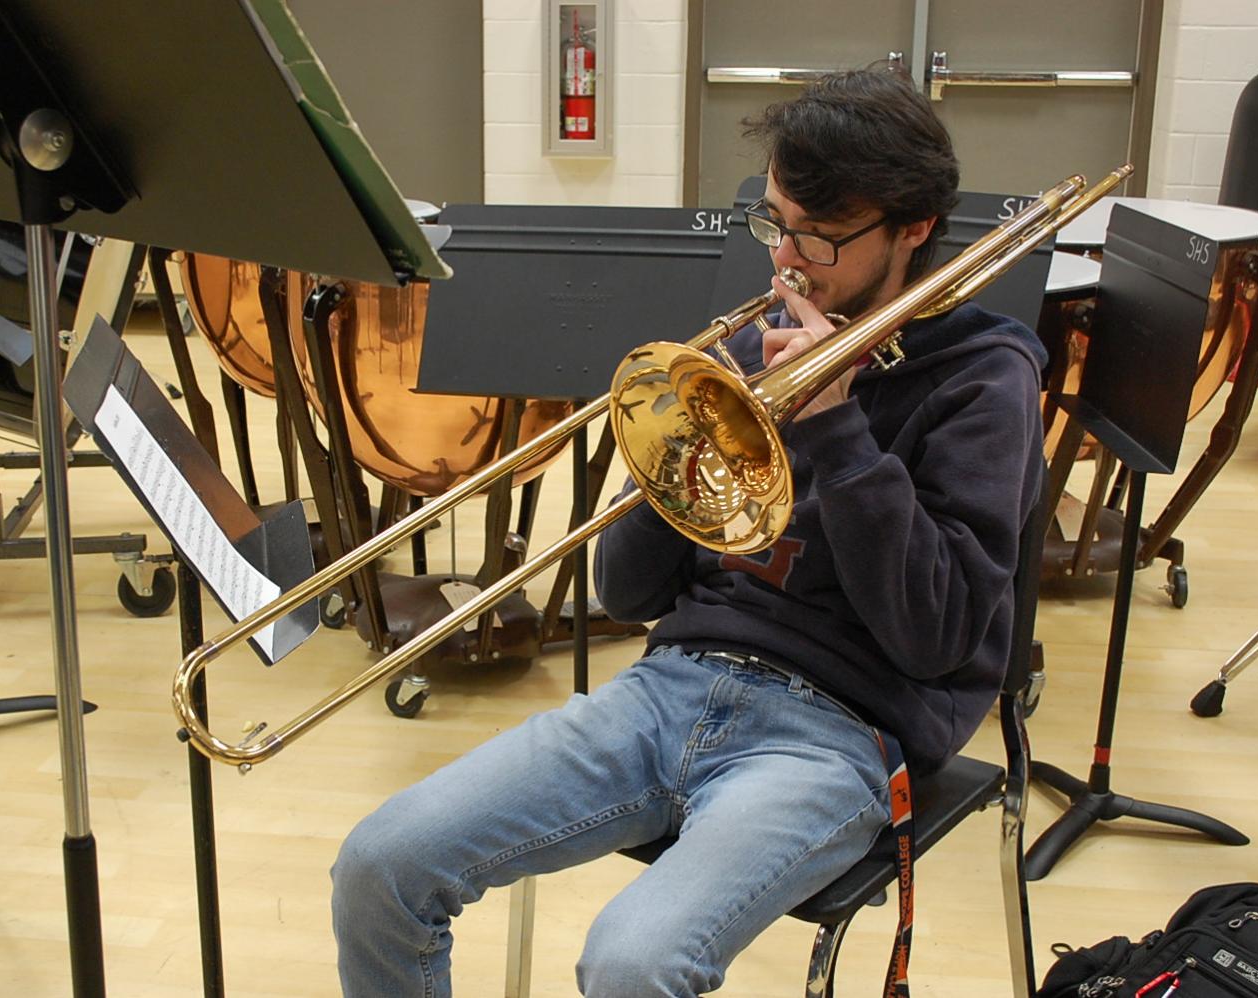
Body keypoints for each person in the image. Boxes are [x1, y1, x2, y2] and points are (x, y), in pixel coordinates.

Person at [330, 66, 1047, 997]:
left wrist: (835, 425)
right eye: (774, 222)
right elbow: (624, 594)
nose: (785, 261)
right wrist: (674, 452)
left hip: (837, 735)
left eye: (819, 239)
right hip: (671, 685)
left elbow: (936, 635)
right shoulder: (748, 346)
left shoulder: (984, 379)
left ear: (912, 229)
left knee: (634, 961)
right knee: (381, 865)